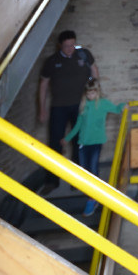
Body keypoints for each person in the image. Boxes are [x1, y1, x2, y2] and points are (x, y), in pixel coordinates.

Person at [38, 29, 99, 189]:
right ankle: (52, 181)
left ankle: (77, 180)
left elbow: (94, 71)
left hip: (80, 107)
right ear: (60, 46)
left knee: (80, 142)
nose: (70, 48)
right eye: (66, 46)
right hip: (58, 107)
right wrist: (42, 109)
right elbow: (43, 85)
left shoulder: (83, 54)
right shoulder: (51, 61)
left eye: (72, 45)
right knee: (55, 144)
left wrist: (92, 87)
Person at [62, 81, 125, 216]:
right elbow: (78, 125)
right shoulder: (84, 106)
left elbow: (116, 109)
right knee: (85, 171)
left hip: (96, 142)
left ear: (97, 92)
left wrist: (123, 106)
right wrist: (67, 138)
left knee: (93, 168)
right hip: (83, 143)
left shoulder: (103, 103)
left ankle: (93, 199)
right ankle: (93, 196)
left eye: (93, 92)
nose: (91, 95)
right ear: (85, 94)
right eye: (88, 93)